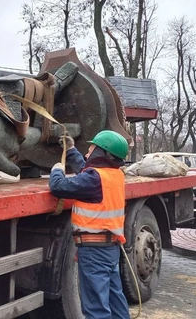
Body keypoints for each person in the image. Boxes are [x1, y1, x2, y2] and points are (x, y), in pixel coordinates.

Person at [49, 130, 130, 319]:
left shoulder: (94, 179)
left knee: (96, 308)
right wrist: (70, 150)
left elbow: (59, 187)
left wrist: (57, 171)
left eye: (92, 149)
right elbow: (85, 170)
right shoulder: (114, 175)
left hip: (94, 252)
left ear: (102, 153)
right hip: (110, 249)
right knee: (115, 300)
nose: (87, 153)